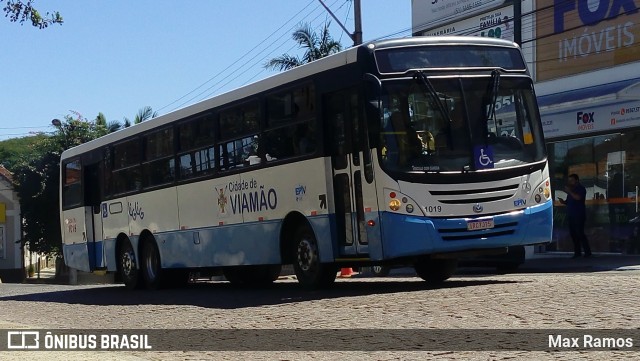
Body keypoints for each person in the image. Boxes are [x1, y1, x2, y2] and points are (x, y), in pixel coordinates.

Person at [559, 174, 592, 258]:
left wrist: (569, 191)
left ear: (576, 180)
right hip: (571, 214)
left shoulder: (581, 189)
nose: (570, 182)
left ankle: (587, 252)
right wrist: (563, 202)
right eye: (569, 181)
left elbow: (578, 198)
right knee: (573, 234)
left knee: (580, 233)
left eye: (572, 180)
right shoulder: (572, 190)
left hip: (579, 214)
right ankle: (577, 252)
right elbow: (569, 201)